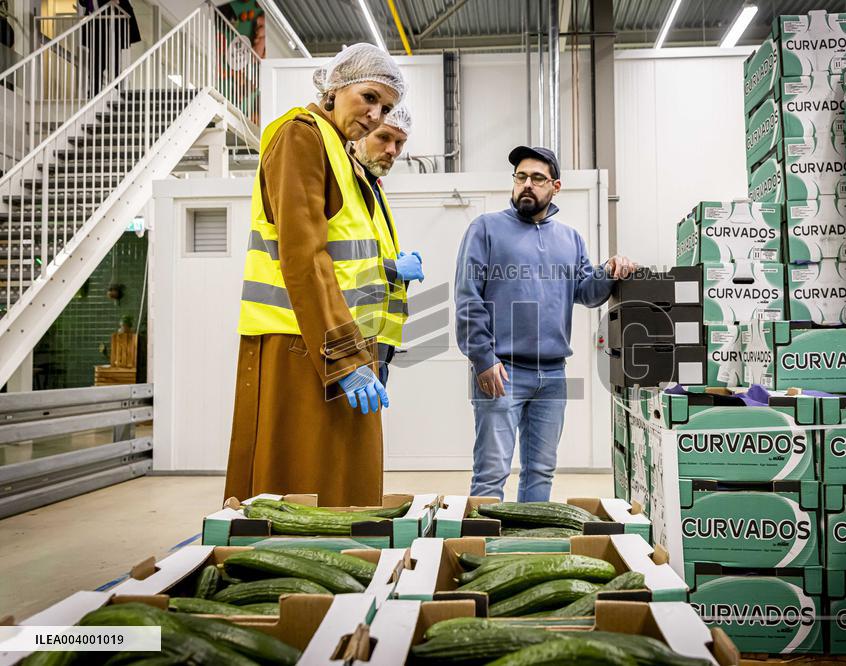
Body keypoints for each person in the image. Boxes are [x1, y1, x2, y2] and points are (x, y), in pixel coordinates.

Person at [224, 43, 414, 506]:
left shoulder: (342, 155)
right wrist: (347, 359)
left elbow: (342, 258)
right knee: (297, 493)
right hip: (303, 347)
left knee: (344, 490)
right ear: (334, 87)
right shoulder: (299, 136)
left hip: (337, 343)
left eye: (386, 107)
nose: (375, 115)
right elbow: (304, 256)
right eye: (369, 97)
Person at [455, 146, 636, 502]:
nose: (526, 184)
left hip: (552, 375)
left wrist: (609, 269)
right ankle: (480, 549)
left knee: (541, 472)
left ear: (555, 186)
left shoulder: (570, 239)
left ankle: (528, 547)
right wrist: (483, 358)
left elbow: (586, 292)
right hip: (501, 371)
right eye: (520, 177)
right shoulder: (486, 229)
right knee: (491, 474)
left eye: (537, 178)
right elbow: (467, 298)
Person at [352, 103, 424, 386]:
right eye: (383, 137)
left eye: (400, 142)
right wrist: (393, 268)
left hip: (376, 340)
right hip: (349, 340)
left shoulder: (374, 186)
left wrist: (396, 263)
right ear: (359, 134)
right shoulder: (346, 183)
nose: (393, 150)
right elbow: (331, 263)